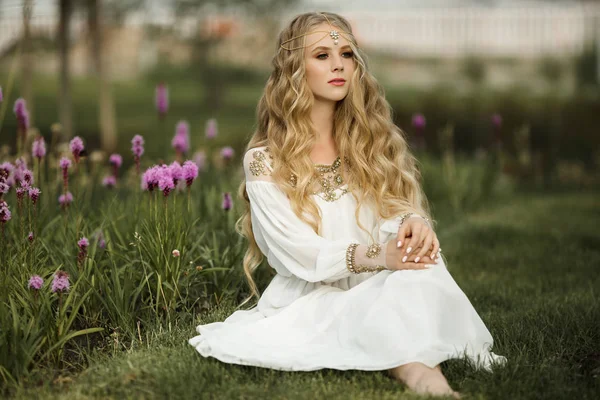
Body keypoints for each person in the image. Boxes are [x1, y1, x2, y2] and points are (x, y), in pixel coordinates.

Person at [189, 11, 506, 398]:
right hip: (314, 295)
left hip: (380, 279)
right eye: (322, 55)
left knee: (420, 267)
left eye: (347, 54)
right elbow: (299, 254)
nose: (338, 64)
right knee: (388, 303)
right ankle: (428, 381)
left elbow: (395, 207)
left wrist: (413, 224)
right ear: (294, 69)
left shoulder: (371, 141)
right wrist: (383, 256)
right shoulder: (265, 160)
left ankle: (427, 377)